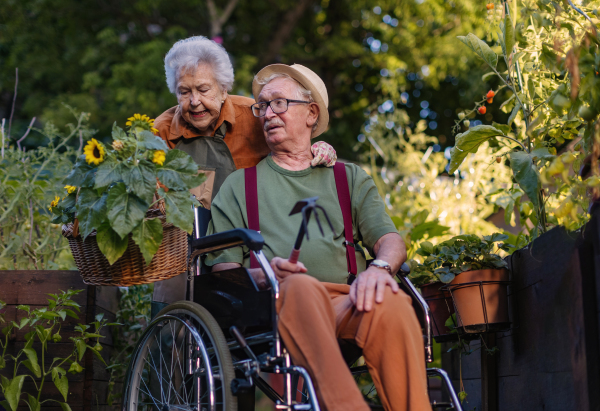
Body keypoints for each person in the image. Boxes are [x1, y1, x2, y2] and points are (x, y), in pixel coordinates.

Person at [206, 64, 432, 411]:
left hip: (347, 300)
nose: (267, 113)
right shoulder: (240, 185)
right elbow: (224, 272)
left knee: (392, 301)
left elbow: (390, 239)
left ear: (311, 113)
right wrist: (267, 275)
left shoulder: (348, 177)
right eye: (261, 106)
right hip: (278, 303)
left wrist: (380, 268)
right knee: (301, 286)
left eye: (279, 103)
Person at [151, 37, 336, 309]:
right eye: (183, 92)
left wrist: (319, 148)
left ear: (224, 88)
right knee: (171, 313)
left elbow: (294, 139)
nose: (194, 102)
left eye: (203, 89)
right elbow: (154, 198)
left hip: (247, 238)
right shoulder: (163, 131)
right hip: (184, 242)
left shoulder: (254, 115)